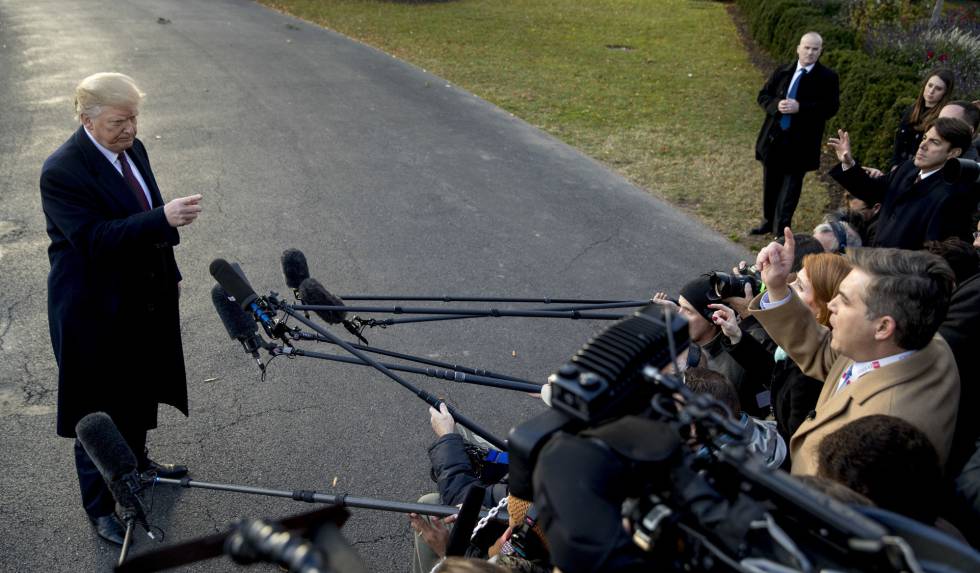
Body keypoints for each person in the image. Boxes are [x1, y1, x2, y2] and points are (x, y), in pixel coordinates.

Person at [40, 72, 202, 545]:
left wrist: (167, 266)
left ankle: (139, 467)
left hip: (140, 297)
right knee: (95, 410)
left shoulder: (134, 149)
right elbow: (92, 238)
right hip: (91, 308)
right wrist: (162, 218)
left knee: (138, 387)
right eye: (118, 121)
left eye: (133, 118)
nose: (129, 129)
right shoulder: (62, 170)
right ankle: (100, 508)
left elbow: (144, 206)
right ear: (86, 119)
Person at [748, 229, 959, 475]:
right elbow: (826, 355)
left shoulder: (884, 433)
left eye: (845, 300)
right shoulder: (912, 337)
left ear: (882, 327)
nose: (831, 304)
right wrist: (777, 288)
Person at [712, 253, 851, 447]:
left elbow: (794, 442)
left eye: (800, 286)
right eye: (794, 281)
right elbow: (775, 374)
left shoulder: (812, 375)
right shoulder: (805, 352)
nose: (788, 288)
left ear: (825, 308)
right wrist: (737, 336)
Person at [827, 117, 974, 249]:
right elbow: (871, 191)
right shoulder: (908, 167)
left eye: (934, 142)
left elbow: (934, 251)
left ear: (953, 153)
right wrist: (848, 163)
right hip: (875, 258)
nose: (923, 145)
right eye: (924, 138)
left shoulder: (952, 197)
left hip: (901, 273)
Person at [751, 32, 840, 237]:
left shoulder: (827, 78)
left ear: (820, 51)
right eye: (807, 47)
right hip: (774, 139)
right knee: (771, 183)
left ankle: (781, 230)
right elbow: (763, 95)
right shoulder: (783, 71)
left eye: (815, 49)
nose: (810, 52)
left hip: (801, 144)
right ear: (798, 48)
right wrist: (776, 105)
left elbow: (830, 108)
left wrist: (800, 107)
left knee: (790, 190)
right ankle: (767, 221)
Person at [892, 69, 956, 169]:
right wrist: (895, 165)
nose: (931, 91)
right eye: (930, 85)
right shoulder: (911, 111)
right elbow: (898, 142)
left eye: (938, 89)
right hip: (899, 168)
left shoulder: (942, 118)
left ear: (945, 93)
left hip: (919, 171)